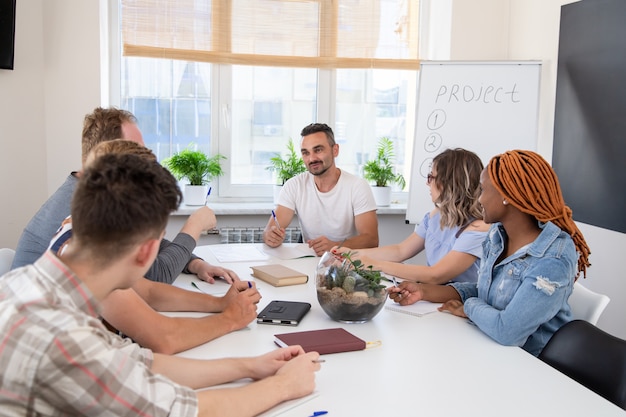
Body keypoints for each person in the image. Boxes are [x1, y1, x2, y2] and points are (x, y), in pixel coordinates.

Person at [0, 152, 320, 416]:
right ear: (147, 252)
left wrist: (251, 366)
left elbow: (139, 364)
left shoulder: (30, 284)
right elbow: (182, 411)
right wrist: (285, 386)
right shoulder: (67, 339)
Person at [48, 139, 261, 354]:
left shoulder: (84, 231)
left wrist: (220, 304)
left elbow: (148, 292)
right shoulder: (92, 265)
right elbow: (164, 338)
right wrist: (230, 319)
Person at [389, 150, 591, 356]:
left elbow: (507, 331)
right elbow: (488, 291)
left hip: (532, 365)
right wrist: (424, 291)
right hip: (490, 348)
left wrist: (469, 308)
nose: (478, 200)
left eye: (483, 190)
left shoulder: (552, 258)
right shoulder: (498, 235)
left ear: (506, 196)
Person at [11, 106, 239, 284]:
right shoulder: (86, 208)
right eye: (136, 149)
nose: (145, 157)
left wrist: (194, 263)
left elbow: (142, 245)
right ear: (111, 152)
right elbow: (153, 276)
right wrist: (194, 227)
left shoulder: (88, 192)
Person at [337, 148, 489, 284]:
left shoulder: (478, 229)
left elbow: (435, 275)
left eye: (431, 177)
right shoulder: (435, 217)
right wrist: (351, 254)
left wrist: (374, 264)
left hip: (461, 305)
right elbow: (400, 251)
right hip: (434, 299)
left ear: (449, 183)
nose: (427, 183)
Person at [263, 123, 379, 256]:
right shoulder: (294, 185)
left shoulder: (357, 186)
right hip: (311, 261)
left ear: (335, 150)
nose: (311, 158)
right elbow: (270, 229)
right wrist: (270, 235)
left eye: (318, 150)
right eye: (306, 153)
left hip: (347, 262)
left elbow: (371, 239)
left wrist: (334, 246)